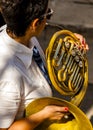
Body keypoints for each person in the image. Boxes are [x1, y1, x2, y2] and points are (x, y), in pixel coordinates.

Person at [0, 0, 69, 130]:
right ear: (35, 23)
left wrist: (68, 47)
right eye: (48, 14)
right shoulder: (9, 79)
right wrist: (44, 115)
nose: (48, 20)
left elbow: (38, 63)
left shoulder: (20, 35)